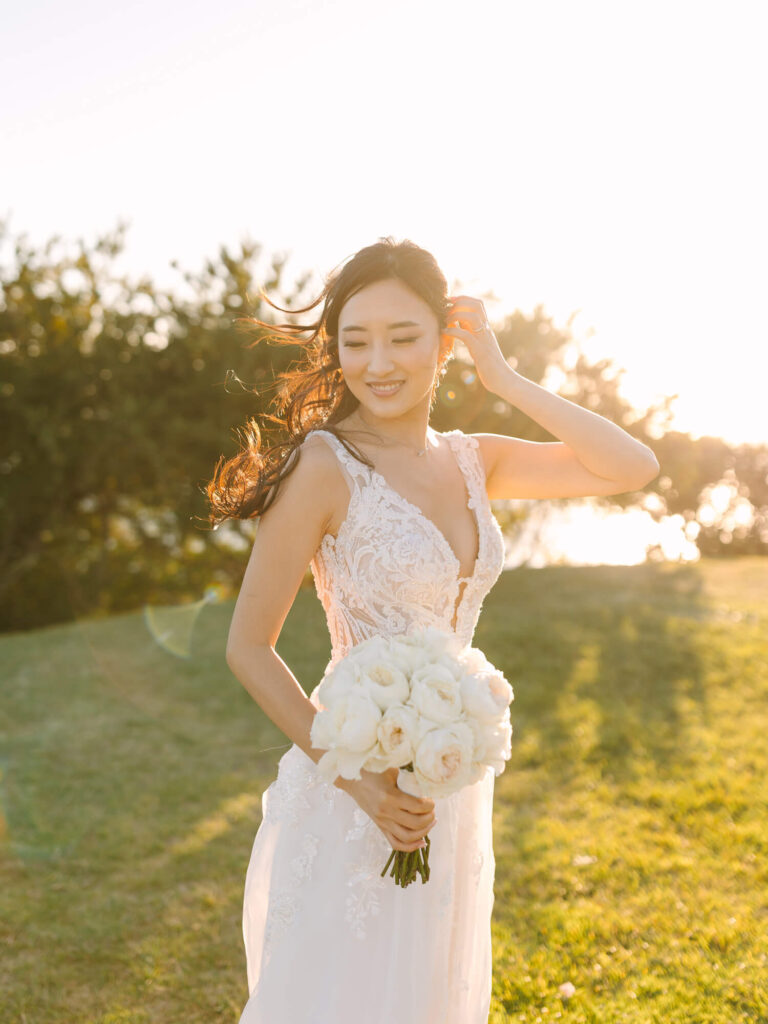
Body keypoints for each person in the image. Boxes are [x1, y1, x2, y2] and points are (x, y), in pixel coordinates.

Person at [213, 237, 660, 1023]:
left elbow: (631, 466)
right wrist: (359, 784)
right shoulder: (325, 464)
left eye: (402, 336)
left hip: (451, 777)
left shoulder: (471, 461)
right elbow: (248, 647)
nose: (377, 362)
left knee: (423, 994)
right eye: (355, 341)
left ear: (444, 342)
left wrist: (507, 377)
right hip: (356, 776)